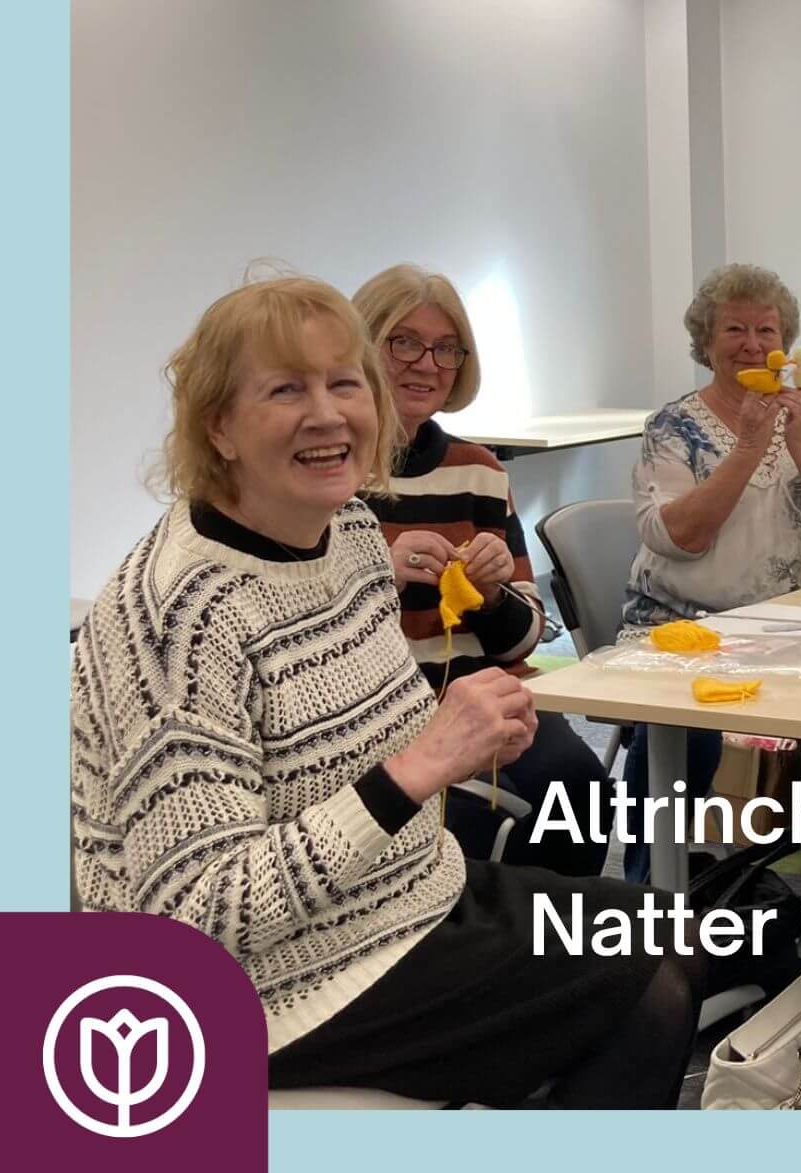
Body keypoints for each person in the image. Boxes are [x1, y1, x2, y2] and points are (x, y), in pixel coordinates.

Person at [71, 276, 700, 1107]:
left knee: (681, 936)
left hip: (399, 898)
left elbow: (381, 733)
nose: (328, 414)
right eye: (285, 389)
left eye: (344, 382)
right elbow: (198, 917)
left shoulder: (352, 534)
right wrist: (425, 762)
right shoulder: (179, 613)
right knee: (649, 988)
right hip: (249, 988)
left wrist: (468, 735)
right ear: (217, 424)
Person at [621, 263, 801, 883]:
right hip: (691, 628)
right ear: (705, 342)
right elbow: (677, 536)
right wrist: (750, 446)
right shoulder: (673, 427)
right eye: (734, 329)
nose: (752, 344)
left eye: (767, 330)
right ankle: (649, 894)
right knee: (679, 734)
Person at [353, 264, 611, 877]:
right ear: (360, 348)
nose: (427, 363)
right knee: (461, 824)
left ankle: (550, 949)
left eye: (446, 348)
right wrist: (379, 572)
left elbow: (526, 638)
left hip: (483, 693)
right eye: (404, 342)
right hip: (382, 711)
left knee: (578, 785)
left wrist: (493, 597)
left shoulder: (479, 471)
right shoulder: (331, 471)